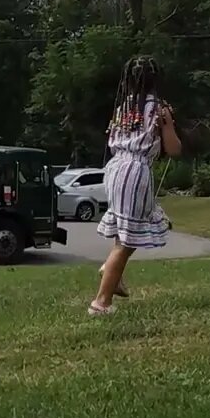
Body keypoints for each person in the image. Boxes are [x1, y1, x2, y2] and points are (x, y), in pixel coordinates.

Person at [89, 55, 182, 316]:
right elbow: (173, 149)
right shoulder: (159, 110)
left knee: (128, 229)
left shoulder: (123, 109)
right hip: (135, 171)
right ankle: (101, 302)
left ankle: (112, 274)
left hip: (115, 168)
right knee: (127, 241)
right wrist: (169, 124)